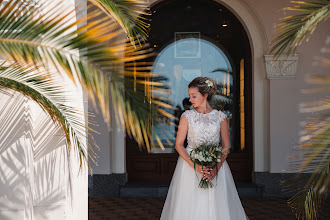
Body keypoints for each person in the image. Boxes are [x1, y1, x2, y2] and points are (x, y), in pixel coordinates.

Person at [160, 77, 248, 220]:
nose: (190, 100)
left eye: (194, 96)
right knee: (189, 205)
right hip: (190, 167)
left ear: (205, 95)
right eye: (190, 96)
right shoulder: (187, 116)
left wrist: (216, 168)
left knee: (216, 205)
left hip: (216, 166)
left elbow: (226, 146)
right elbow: (178, 145)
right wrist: (195, 166)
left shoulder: (220, 117)